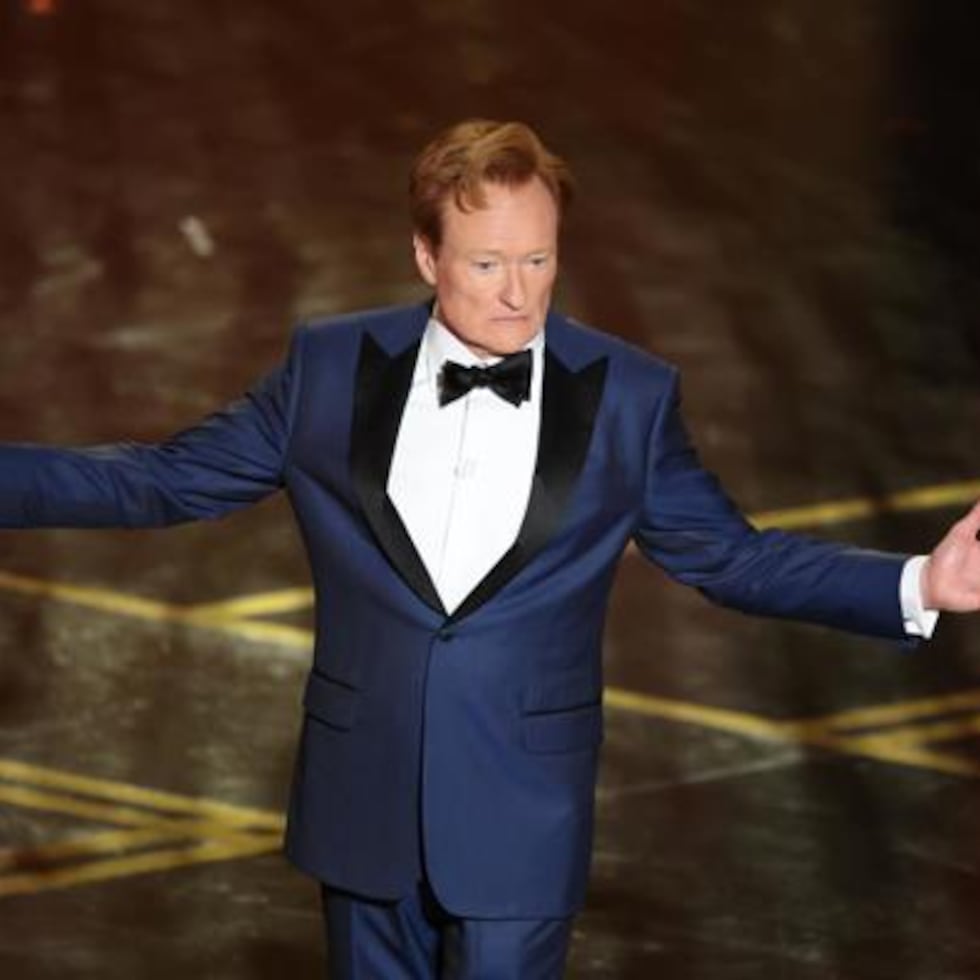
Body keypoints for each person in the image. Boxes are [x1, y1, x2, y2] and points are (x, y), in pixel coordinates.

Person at [1, 119, 979, 979]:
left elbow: (732, 558)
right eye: (485, 265)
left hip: (522, 812)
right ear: (425, 255)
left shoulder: (628, 397)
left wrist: (918, 582)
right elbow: (161, 479)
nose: (518, 295)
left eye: (538, 260)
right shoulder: (329, 369)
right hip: (364, 797)